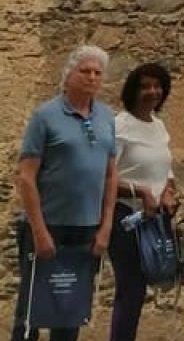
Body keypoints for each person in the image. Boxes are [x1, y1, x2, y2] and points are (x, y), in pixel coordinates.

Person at [12, 45, 119, 341]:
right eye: (85, 71)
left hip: (86, 229)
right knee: (31, 311)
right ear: (69, 74)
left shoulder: (107, 117)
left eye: (98, 73)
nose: (92, 78)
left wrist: (106, 226)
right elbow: (26, 176)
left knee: (71, 309)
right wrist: (39, 231)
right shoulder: (45, 116)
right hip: (49, 226)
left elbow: (111, 175)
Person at [109, 62, 177, 341]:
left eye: (157, 86)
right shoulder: (120, 125)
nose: (152, 92)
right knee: (131, 288)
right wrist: (143, 192)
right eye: (145, 86)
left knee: (141, 287)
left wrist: (169, 192)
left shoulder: (159, 126)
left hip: (154, 220)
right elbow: (107, 177)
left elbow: (165, 170)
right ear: (133, 90)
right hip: (125, 218)